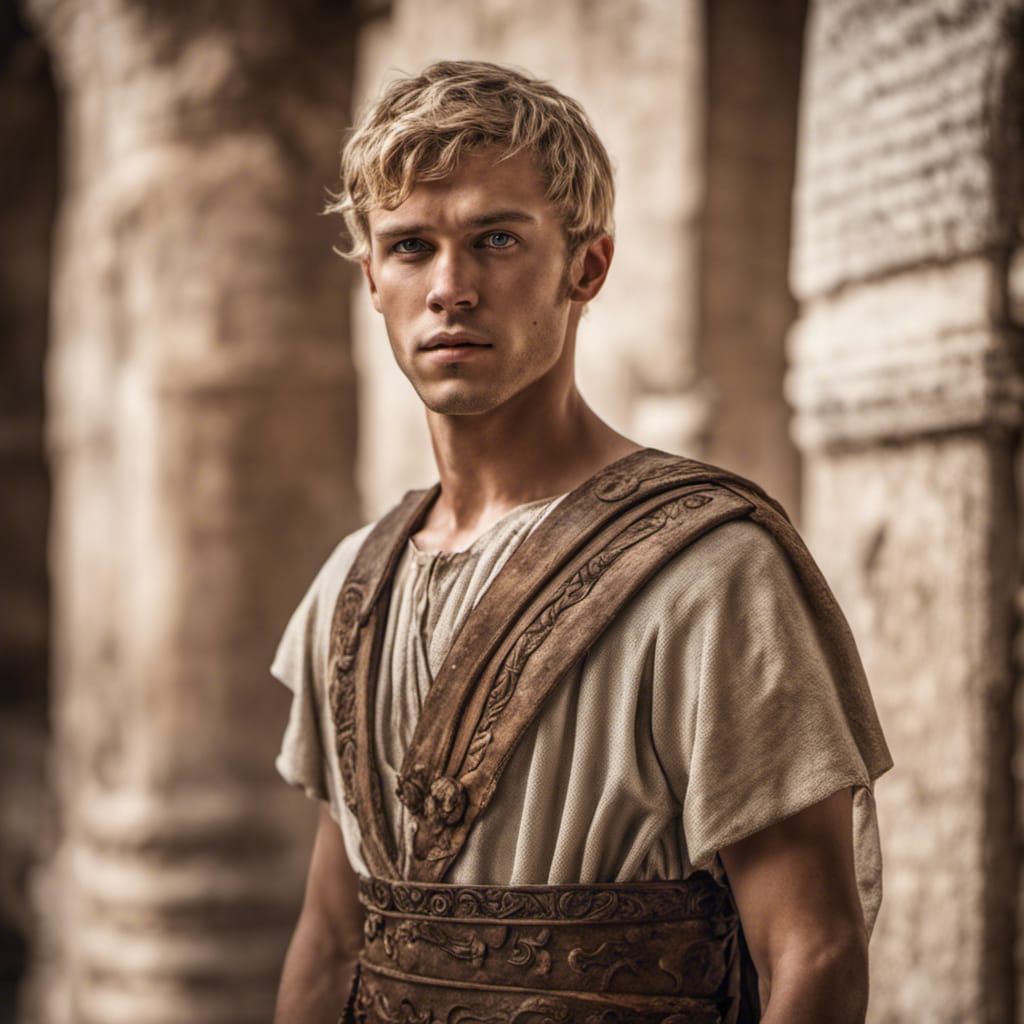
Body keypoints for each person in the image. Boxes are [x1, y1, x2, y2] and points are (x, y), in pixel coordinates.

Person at [270, 60, 892, 1024]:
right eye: (409, 248)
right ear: (372, 281)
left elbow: (813, 953)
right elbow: (333, 937)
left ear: (585, 267)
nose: (449, 289)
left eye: (497, 239)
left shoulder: (713, 574)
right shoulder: (354, 585)